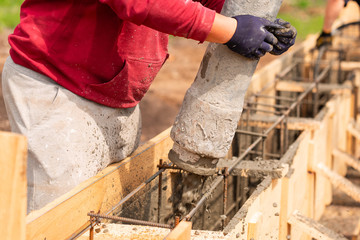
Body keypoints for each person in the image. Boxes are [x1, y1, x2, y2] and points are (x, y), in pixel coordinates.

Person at [2, 0, 296, 213]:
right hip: (57, 83)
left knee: (106, 210)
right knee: (63, 216)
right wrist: (230, 29)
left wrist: (246, 19)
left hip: (113, 90)